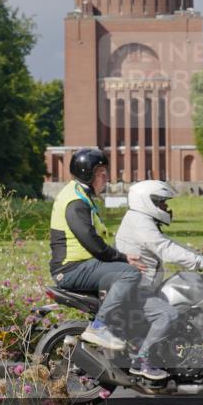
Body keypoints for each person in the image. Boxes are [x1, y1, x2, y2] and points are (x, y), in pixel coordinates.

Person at [115, 180, 203, 380]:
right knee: (167, 315)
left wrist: (198, 255)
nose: (166, 208)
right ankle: (141, 361)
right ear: (148, 202)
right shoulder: (140, 222)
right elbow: (164, 248)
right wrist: (199, 261)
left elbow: (166, 243)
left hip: (143, 285)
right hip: (136, 289)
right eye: (162, 203)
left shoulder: (141, 220)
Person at [50, 148, 145, 351]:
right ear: (87, 173)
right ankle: (99, 327)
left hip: (81, 266)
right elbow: (92, 243)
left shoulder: (79, 195)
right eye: (101, 173)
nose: (106, 177)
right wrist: (122, 258)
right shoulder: (75, 202)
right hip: (72, 269)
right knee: (129, 275)